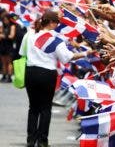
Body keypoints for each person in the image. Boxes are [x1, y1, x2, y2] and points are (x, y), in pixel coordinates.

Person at [19, 10, 95, 147]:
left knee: (33, 107)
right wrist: (85, 53)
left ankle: (30, 139)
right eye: (57, 23)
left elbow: (22, 52)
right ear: (52, 23)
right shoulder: (56, 39)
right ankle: (42, 140)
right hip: (47, 73)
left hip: (30, 72)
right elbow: (67, 58)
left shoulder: (30, 34)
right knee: (45, 108)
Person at [0, 13, 16, 83]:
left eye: (6, 19)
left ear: (9, 19)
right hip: (3, 45)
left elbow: (12, 36)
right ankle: (4, 75)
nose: (5, 21)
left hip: (9, 45)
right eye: (4, 20)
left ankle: (9, 77)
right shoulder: (3, 26)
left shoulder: (12, 26)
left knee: (9, 62)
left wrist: (4, 36)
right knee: (3, 62)